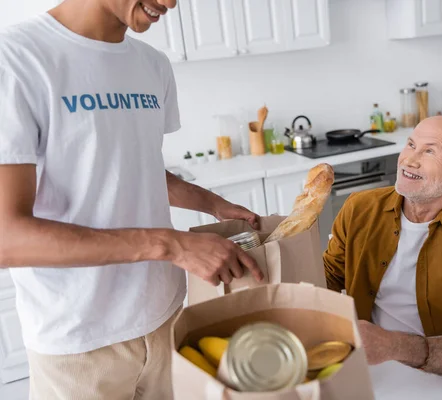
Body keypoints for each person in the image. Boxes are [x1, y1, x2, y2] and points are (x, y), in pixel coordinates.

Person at [0, 0, 263, 398]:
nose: (172, 3)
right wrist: (171, 245)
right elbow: (8, 238)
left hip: (166, 316)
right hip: (79, 342)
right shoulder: (17, 58)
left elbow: (126, 165)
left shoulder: (152, 64)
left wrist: (210, 202)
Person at [324, 116, 442, 375]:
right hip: (367, 364)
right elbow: (328, 278)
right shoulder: (358, 208)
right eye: (410, 144)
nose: (409, 160)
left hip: (439, 368)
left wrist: (392, 345)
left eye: (430, 151)